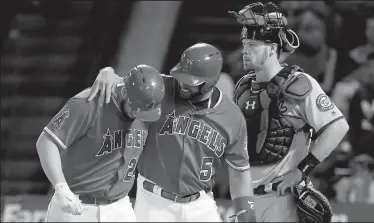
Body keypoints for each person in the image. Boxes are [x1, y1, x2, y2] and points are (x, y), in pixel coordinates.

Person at [87, 43, 256, 222]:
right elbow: (124, 84)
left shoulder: (232, 117)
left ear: (210, 82)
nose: (183, 83)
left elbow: (240, 170)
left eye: (191, 81)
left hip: (201, 204)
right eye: (181, 75)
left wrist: (246, 213)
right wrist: (108, 73)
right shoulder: (160, 88)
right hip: (154, 202)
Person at [228, 2, 349, 222]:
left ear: (273, 48)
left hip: (282, 199)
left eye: (253, 45)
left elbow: (338, 127)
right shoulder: (244, 86)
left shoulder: (299, 83)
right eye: (244, 43)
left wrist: (302, 171)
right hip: (246, 200)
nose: (245, 50)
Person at [36, 64, 165, 222]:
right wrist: (60, 187)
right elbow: (46, 142)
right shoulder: (88, 103)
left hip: (120, 208)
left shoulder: (147, 109)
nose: (138, 115)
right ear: (125, 91)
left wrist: (108, 71)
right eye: (135, 108)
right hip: (77, 206)